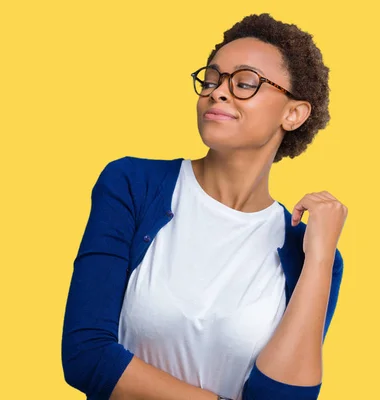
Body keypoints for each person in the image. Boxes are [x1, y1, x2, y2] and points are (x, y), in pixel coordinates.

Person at [61, 13, 348, 400]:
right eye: (211, 80)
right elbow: (86, 354)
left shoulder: (309, 253)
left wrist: (320, 259)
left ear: (293, 114)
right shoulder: (132, 184)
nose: (218, 92)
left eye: (244, 82)